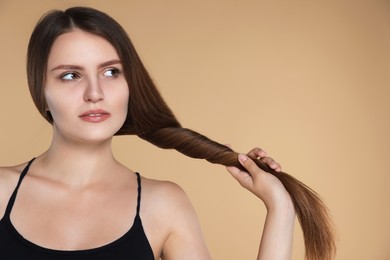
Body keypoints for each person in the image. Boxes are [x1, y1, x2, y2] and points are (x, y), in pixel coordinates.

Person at [0, 6, 334, 260]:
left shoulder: (164, 205)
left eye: (111, 72)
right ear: (40, 90)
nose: (95, 92)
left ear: (130, 84)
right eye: (71, 76)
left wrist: (280, 207)